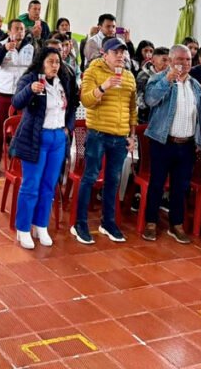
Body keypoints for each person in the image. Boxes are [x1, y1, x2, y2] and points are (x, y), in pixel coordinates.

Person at [11, 47, 78, 249]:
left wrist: (67, 128)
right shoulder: (31, 79)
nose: (55, 66)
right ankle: (23, 228)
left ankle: (41, 225)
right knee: (31, 184)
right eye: (50, 62)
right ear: (41, 62)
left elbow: (73, 105)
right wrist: (30, 90)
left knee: (49, 185)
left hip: (58, 137)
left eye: (57, 62)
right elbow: (16, 102)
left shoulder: (63, 80)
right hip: (36, 137)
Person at [71, 37, 136, 245]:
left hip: (120, 136)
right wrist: (104, 87)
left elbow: (132, 108)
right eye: (116, 52)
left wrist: (132, 135)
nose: (120, 56)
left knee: (113, 180)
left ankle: (108, 222)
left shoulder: (129, 76)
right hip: (98, 134)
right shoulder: (93, 71)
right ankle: (79, 224)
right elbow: (86, 100)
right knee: (90, 177)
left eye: (122, 52)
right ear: (104, 54)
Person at [141, 45, 201, 244]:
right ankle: (151, 222)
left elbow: (200, 115)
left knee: (181, 187)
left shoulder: (195, 85)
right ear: (170, 61)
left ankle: (176, 224)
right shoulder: (158, 79)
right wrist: (167, 80)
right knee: (157, 184)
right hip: (163, 142)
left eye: (188, 60)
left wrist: (199, 141)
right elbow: (150, 100)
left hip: (187, 144)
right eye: (179, 59)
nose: (184, 63)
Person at [0, 20, 33, 177]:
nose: (20, 32)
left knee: (22, 129)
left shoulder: (30, 47)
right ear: (9, 31)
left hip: (22, 94)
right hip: (3, 92)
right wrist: (4, 49)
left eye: (22, 29)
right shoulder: (1, 45)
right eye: (16, 29)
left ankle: (17, 162)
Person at [135, 46, 169, 124]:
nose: (167, 64)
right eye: (164, 60)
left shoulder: (171, 76)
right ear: (153, 61)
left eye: (169, 60)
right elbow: (141, 102)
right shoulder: (143, 76)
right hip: (147, 120)